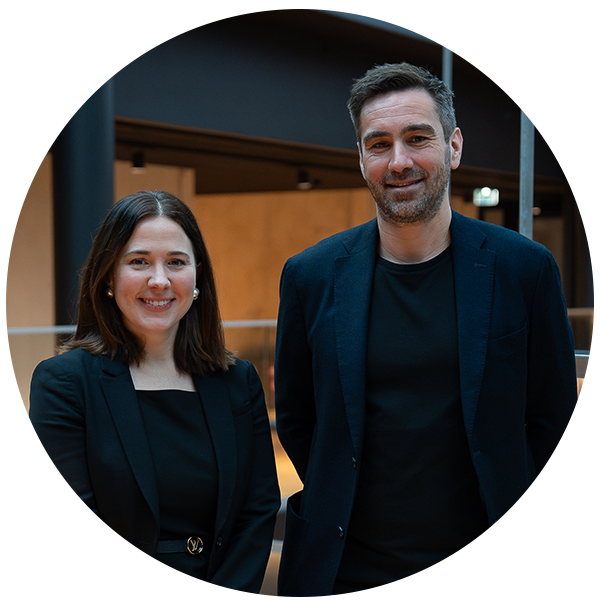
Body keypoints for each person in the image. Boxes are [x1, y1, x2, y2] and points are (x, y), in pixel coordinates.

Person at [274, 63, 581, 597]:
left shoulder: (525, 269)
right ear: (361, 158)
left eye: (418, 138)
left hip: (488, 571)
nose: (399, 161)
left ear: (454, 146)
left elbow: (555, 417)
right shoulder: (310, 276)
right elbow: (299, 420)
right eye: (379, 144)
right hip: (343, 572)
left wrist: (503, 491)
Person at [26, 190, 280, 596]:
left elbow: (258, 510)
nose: (159, 280)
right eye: (139, 261)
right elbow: (72, 529)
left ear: (197, 277)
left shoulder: (238, 381)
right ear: (109, 277)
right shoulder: (64, 382)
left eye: (176, 262)